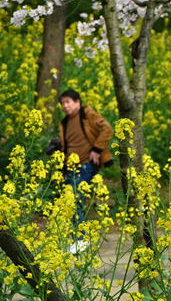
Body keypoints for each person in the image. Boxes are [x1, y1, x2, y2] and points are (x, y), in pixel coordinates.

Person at [56, 89, 113, 254]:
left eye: (68, 102)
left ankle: (80, 240)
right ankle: (79, 239)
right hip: (70, 168)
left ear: (78, 102)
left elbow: (107, 129)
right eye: (62, 103)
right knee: (72, 202)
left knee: (75, 202)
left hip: (86, 165)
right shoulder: (65, 122)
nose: (65, 106)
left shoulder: (87, 114)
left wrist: (96, 149)